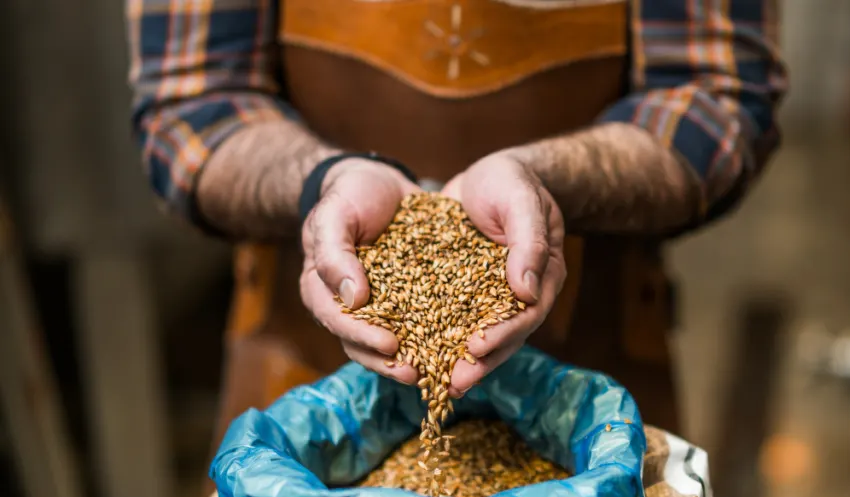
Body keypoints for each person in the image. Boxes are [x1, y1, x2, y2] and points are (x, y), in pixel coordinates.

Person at [127, 0, 787, 452]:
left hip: (592, 371)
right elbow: (193, 105)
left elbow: (716, 97)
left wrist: (550, 179)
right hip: (298, 369)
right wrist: (321, 181)